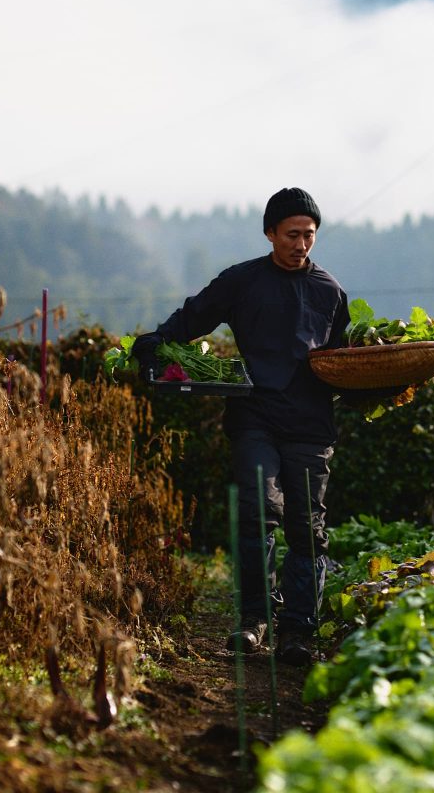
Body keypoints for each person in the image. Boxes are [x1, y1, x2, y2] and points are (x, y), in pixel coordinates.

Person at [132, 187, 349, 666]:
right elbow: (196, 315)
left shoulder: (330, 292)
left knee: (307, 528)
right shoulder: (243, 281)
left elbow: (342, 361)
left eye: (309, 235)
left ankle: (299, 632)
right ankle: (254, 622)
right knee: (256, 512)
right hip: (255, 416)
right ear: (270, 233)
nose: (301, 244)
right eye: (292, 234)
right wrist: (157, 340)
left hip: (311, 425)